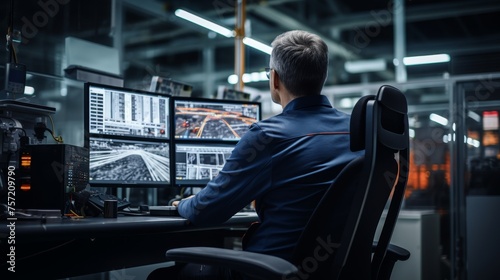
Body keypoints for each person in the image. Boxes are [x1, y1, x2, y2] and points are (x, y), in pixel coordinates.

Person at [148, 30, 363, 280]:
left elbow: (206, 211)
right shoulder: (358, 132)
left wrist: (180, 203)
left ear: (274, 79)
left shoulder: (268, 135)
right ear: (323, 76)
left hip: (270, 270)